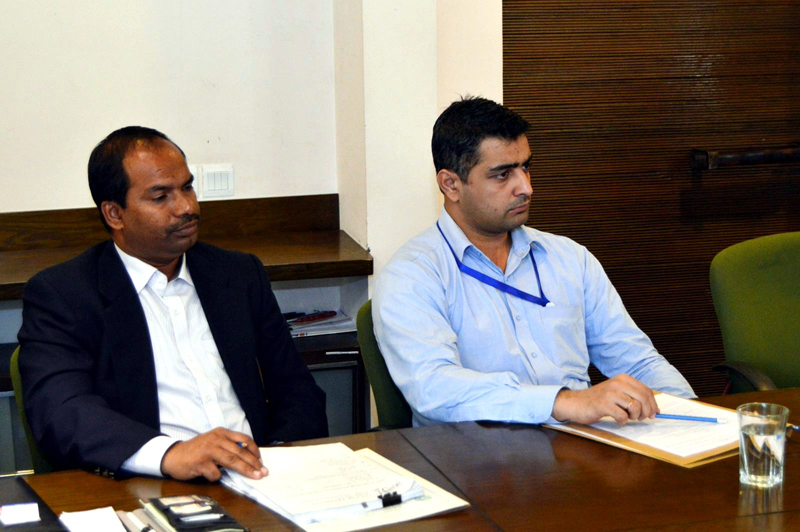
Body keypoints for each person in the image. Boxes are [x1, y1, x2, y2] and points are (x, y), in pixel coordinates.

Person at [18, 126, 328, 480]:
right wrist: (169, 454)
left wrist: (281, 461)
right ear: (114, 214)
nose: (186, 207)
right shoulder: (65, 294)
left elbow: (296, 390)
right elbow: (62, 412)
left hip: (261, 476)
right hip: (151, 484)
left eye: (187, 187)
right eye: (161, 196)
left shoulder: (238, 275)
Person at [373, 97, 695, 428]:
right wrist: (562, 402)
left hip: (582, 448)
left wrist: (699, 416)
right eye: (503, 175)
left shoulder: (570, 258)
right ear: (451, 184)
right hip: (477, 454)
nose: (526, 188)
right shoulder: (411, 276)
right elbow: (435, 389)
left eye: (525, 167)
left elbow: (638, 362)